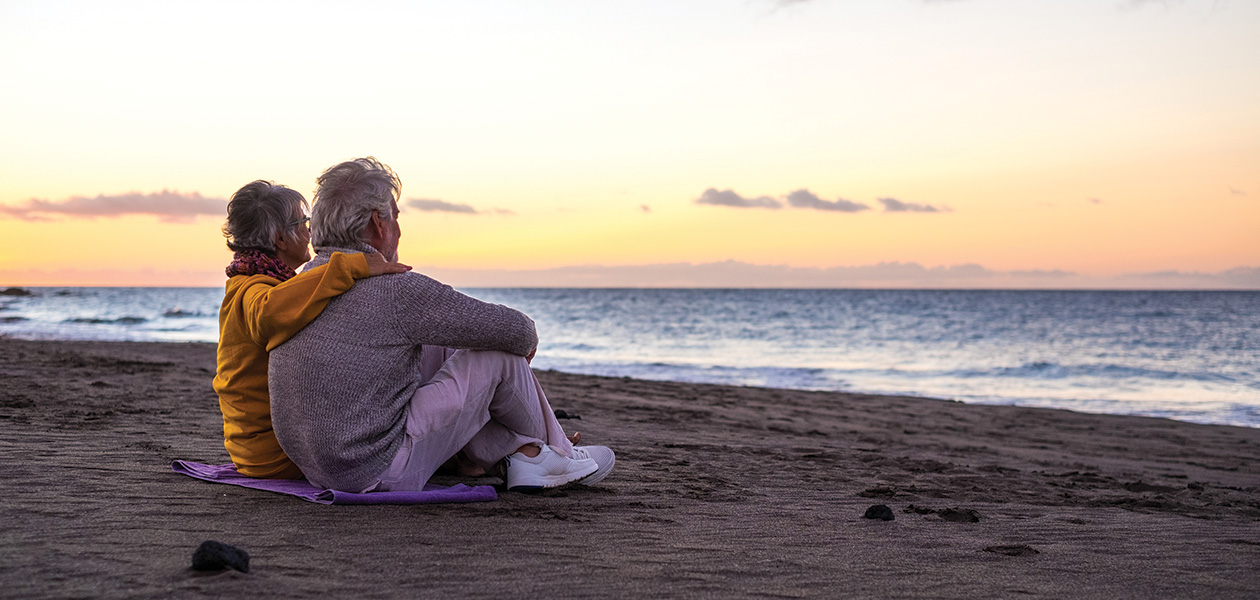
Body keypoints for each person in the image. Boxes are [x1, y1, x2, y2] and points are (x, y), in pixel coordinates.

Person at [267, 157, 615, 492]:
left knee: (440, 343)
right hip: (375, 469)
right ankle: (557, 453)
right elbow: (518, 332)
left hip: (318, 468)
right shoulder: (394, 290)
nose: (399, 230)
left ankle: (522, 455)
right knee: (497, 357)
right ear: (378, 223)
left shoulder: (303, 285)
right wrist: (517, 347)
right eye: (396, 217)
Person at [213, 180, 410, 478]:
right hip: (273, 455)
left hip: (261, 451)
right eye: (303, 223)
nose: (310, 231)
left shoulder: (268, 283)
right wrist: (350, 267)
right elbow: (267, 312)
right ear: (281, 238)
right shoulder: (250, 290)